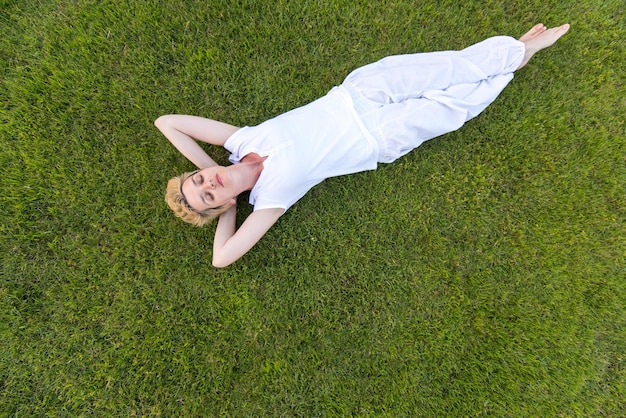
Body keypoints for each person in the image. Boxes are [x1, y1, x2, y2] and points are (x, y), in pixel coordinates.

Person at [155, 23, 570, 267]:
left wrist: (210, 169)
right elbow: (221, 257)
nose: (210, 181)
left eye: (199, 179)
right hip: (381, 136)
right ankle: (515, 55)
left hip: (359, 93)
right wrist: (226, 209)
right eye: (209, 194)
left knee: (448, 66)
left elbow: (167, 123)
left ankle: (515, 50)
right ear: (223, 205)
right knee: (459, 102)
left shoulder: (240, 139)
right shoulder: (270, 199)